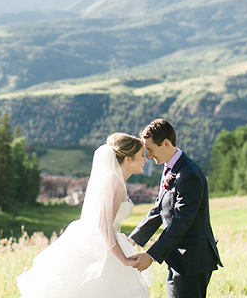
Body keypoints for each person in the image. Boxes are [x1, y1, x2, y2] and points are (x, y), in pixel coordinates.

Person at [17, 133, 153, 298]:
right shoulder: (114, 182)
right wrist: (122, 259)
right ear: (128, 159)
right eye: (141, 155)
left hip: (110, 242)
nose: (146, 160)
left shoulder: (118, 182)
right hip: (101, 246)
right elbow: (104, 225)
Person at [128, 119, 222, 298]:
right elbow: (159, 209)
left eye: (150, 149)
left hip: (192, 260)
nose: (148, 155)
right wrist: (132, 239)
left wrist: (151, 255)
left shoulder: (189, 174)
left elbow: (181, 221)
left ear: (166, 144)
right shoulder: (169, 168)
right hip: (179, 258)